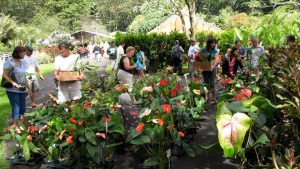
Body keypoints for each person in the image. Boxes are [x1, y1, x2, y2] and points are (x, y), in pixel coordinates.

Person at [2, 46, 32, 133]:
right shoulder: (9, 62)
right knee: (16, 108)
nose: (24, 54)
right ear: (18, 53)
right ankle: (16, 126)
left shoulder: (22, 62)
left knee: (22, 108)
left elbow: (24, 76)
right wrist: (13, 83)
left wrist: (29, 88)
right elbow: (4, 75)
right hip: (12, 89)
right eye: (23, 53)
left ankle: (20, 123)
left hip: (21, 88)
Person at [200, 38, 220, 104]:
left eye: (214, 43)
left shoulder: (215, 50)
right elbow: (200, 59)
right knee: (205, 83)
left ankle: (213, 98)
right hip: (205, 69)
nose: (214, 44)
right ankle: (206, 96)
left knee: (212, 83)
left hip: (212, 69)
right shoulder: (203, 50)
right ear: (209, 43)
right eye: (212, 43)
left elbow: (216, 60)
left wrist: (213, 66)